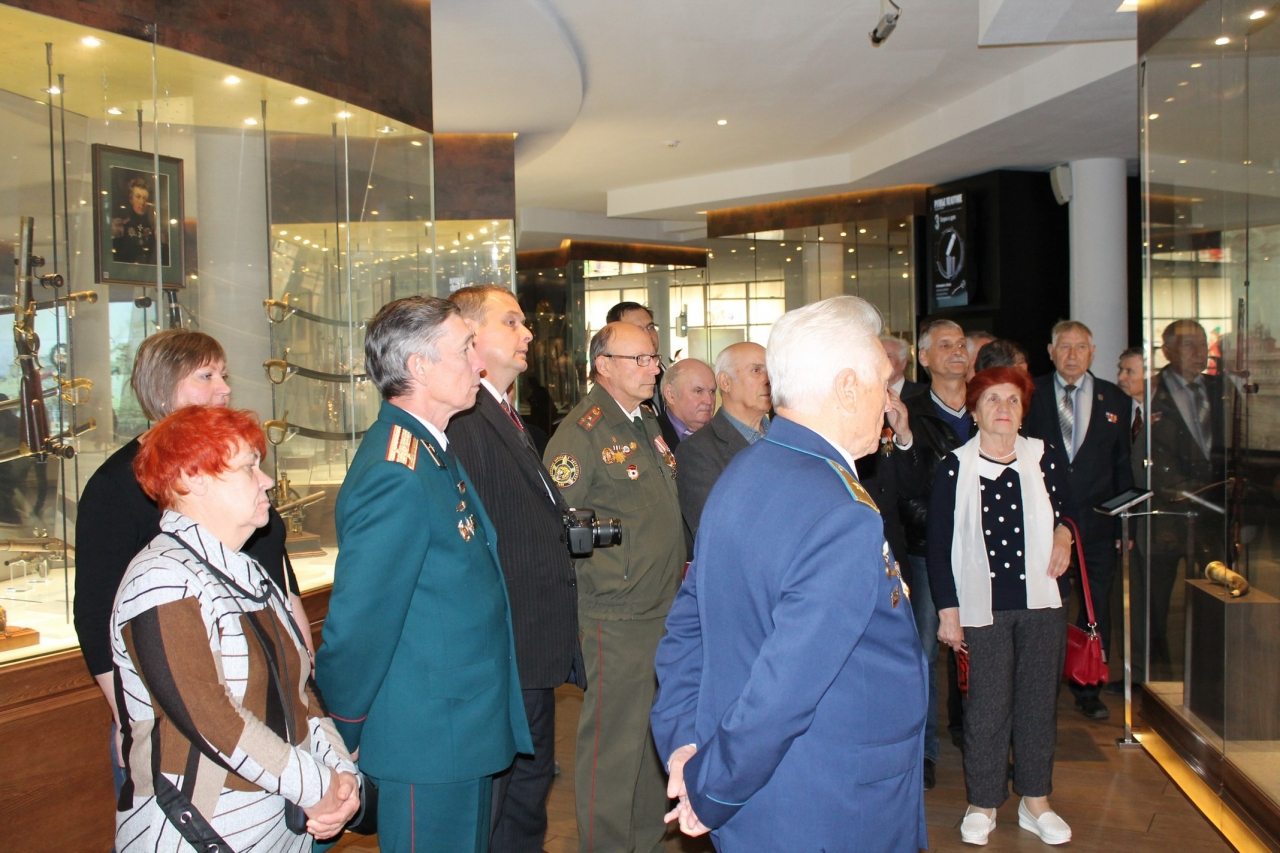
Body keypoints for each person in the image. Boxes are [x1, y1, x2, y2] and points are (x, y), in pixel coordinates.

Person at [652, 296, 928, 852]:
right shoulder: (842, 509)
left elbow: (688, 628)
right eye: (882, 383)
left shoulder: (744, 471)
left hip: (763, 796)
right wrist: (713, 788)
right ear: (846, 387)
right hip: (829, 804)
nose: (888, 400)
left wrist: (685, 743)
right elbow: (787, 685)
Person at [315, 296, 531, 853]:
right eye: (464, 350)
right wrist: (342, 727)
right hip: (429, 736)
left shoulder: (430, 451)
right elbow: (360, 623)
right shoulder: (396, 471)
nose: (479, 364)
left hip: (459, 726)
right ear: (419, 367)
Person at [74, 329, 309, 813]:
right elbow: (97, 617)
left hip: (271, 695)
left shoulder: (239, 475)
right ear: (162, 387)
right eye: (205, 376)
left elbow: (281, 585)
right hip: (185, 712)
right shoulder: (116, 486)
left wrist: (305, 684)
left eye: (223, 374)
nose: (224, 387)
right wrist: (128, 716)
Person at [111, 405, 359, 852]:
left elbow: (302, 690)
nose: (267, 481)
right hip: (197, 831)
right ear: (192, 478)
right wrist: (318, 787)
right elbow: (210, 717)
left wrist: (342, 775)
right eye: (249, 467)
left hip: (278, 826)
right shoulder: (160, 579)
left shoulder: (250, 572)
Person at [445, 286, 585, 853]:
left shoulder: (502, 413)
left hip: (529, 645)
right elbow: (472, 547)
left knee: (526, 796)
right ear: (470, 335)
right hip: (504, 649)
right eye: (511, 322)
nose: (528, 333)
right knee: (504, 807)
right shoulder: (464, 419)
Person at [542, 320, 684, 853]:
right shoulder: (583, 432)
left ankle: (644, 840)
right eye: (640, 359)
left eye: (654, 358)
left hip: (659, 606)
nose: (654, 369)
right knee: (613, 745)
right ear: (603, 366)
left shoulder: (644, 422)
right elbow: (557, 523)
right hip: (616, 614)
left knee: (649, 739)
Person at [929, 367, 1074, 847]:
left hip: (1042, 604)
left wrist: (1064, 534)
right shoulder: (954, 466)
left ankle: (1036, 801)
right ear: (974, 410)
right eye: (992, 399)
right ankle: (984, 802)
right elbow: (938, 546)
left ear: (1023, 410)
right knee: (986, 708)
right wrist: (948, 610)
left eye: (1012, 399)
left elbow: (1070, 509)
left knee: (1038, 706)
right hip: (980, 607)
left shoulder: (1043, 456)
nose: (1003, 408)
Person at [1025, 320, 1133, 720]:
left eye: (1080, 347)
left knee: (1097, 606)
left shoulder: (1115, 399)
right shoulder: (1029, 393)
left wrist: (1125, 525)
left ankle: (1089, 688)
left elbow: (1122, 466)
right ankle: (1040, 685)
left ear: (1093, 352)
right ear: (1051, 352)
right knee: (1044, 606)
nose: (1072, 355)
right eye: (1064, 347)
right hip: (1042, 523)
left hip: (1098, 524)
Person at [900, 317, 973, 778]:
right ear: (924, 358)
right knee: (924, 652)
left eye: (961, 343)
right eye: (945, 345)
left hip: (984, 553)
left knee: (984, 651)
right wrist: (949, 528)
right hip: (928, 550)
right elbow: (904, 491)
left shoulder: (989, 405)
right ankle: (924, 751)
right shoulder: (908, 413)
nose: (957, 351)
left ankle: (982, 740)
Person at [1148, 320, 1224, 677]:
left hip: (1213, 514)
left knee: (1214, 593)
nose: (1200, 352)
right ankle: (1157, 672)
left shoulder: (1220, 390)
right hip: (1166, 515)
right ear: (1168, 351)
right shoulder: (1150, 391)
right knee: (1157, 602)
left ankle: (1210, 669)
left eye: (1203, 344)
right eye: (1189, 345)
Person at [674, 342, 771, 538]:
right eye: (756, 370)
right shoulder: (696, 452)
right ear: (725, 382)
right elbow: (715, 534)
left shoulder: (787, 438)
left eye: (771, 371)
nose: (768, 380)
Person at [608, 301, 666, 415]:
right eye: (637, 329)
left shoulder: (666, 375)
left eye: (650, 327)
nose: (648, 335)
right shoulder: (615, 380)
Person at [656, 358, 715, 449]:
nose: (709, 401)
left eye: (712, 391)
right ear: (670, 394)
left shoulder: (724, 435)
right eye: (698, 391)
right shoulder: (651, 435)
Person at [111, 176, 167, 265]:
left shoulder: (155, 229)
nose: (142, 202)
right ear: (131, 199)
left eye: (145, 198)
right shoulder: (121, 226)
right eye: (138, 197)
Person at [882, 334, 925, 399]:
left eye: (888, 356)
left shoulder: (922, 393)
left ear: (903, 364)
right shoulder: (867, 394)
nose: (881, 360)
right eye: (878, 356)